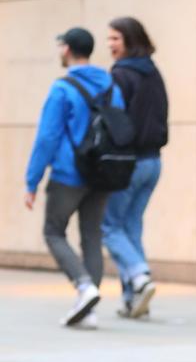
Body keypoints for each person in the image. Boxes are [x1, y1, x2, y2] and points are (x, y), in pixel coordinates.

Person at [24, 27, 125, 329]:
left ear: (67, 49)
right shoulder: (110, 85)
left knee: (54, 231)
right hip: (102, 172)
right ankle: (88, 310)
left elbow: (48, 137)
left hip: (69, 174)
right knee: (91, 236)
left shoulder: (62, 88)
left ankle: (84, 287)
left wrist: (32, 181)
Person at [101, 17, 168, 318]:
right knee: (130, 226)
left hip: (130, 163)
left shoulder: (120, 75)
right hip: (153, 162)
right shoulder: (153, 73)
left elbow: (115, 121)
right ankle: (133, 299)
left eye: (115, 38)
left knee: (109, 226)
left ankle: (140, 276)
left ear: (130, 39)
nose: (110, 45)